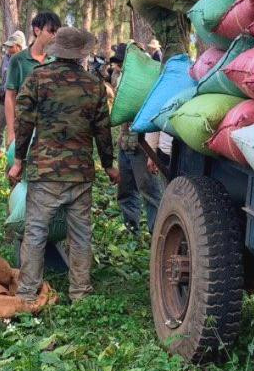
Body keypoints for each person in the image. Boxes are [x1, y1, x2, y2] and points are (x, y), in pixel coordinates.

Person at [9, 27, 118, 303]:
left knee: (35, 232)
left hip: (45, 171)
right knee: (80, 235)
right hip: (80, 173)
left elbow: (24, 124)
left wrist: (18, 160)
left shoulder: (37, 79)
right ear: (81, 54)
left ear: (57, 50)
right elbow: (102, 130)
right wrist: (109, 165)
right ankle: (80, 291)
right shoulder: (94, 85)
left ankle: (26, 293)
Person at [105, 46, 154, 234]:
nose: (117, 67)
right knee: (126, 191)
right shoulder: (121, 79)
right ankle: (132, 230)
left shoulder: (145, 81)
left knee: (150, 192)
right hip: (125, 143)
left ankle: (156, 233)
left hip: (142, 146)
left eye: (120, 63)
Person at [4, 11, 62, 148]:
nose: (54, 36)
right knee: (17, 166)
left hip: (50, 128)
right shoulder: (18, 60)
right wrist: (11, 132)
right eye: (51, 31)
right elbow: (10, 96)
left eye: (57, 32)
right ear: (37, 30)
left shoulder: (58, 60)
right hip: (23, 125)